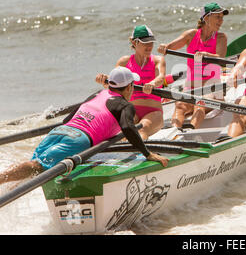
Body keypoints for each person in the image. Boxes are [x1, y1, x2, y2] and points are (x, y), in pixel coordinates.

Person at [0, 67, 168, 185]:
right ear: (130, 87)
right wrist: (147, 153)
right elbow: (128, 128)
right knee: (36, 167)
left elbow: (68, 119)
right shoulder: (125, 105)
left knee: (34, 169)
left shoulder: (97, 94)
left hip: (58, 131)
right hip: (78, 139)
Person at [158, 2, 228, 129]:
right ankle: (175, 133)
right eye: (218, 17)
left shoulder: (221, 38)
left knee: (200, 104)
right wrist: (165, 47)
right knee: (179, 106)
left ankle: (191, 132)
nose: (221, 21)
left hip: (211, 89)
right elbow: (171, 46)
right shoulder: (191, 35)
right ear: (206, 18)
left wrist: (206, 55)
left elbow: (221, 59)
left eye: (222, 18)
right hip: (191, 88)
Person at [96, 25, 166, 140]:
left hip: (154, 112)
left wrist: (152, 83)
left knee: (141, 129)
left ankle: (141, 155)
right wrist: (105, 80)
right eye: (145, 43)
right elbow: (114, 84)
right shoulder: (124, 62)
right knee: (121, 131)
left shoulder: (158, 60)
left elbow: (161, 77)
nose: (149, 46)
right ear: (134, 43)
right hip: (131, 110)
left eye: (151, 42)